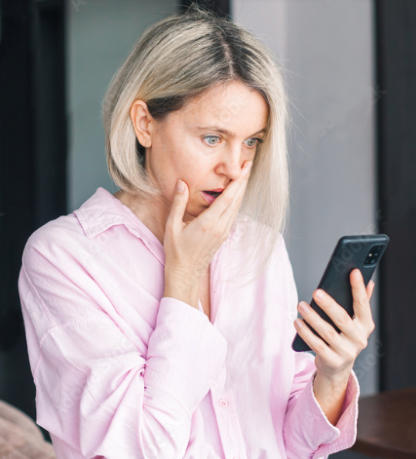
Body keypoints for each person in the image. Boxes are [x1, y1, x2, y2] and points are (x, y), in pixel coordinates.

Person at [18, 6, 376, 459]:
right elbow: (142, 449)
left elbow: (291, 442)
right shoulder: (63, 259)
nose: (234, 167)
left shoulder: (259, 247)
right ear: (144, 124)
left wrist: (333, 373)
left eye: (251, 142)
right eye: (212, 138)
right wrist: (183, 277)